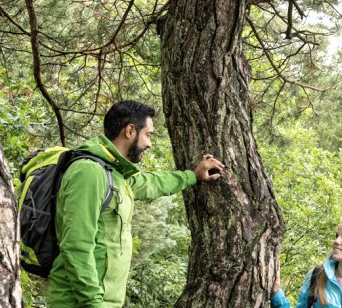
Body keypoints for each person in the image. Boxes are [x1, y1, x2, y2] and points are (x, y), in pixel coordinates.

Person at [48, 100, 226, 308]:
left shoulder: (115, 174)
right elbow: (76, 245)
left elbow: (152, 183)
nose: (149, 143)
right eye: (148, 134)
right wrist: (93, 303)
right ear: (130, 131)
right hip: (79, 303)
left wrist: (193, 176)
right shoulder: (89, 172)